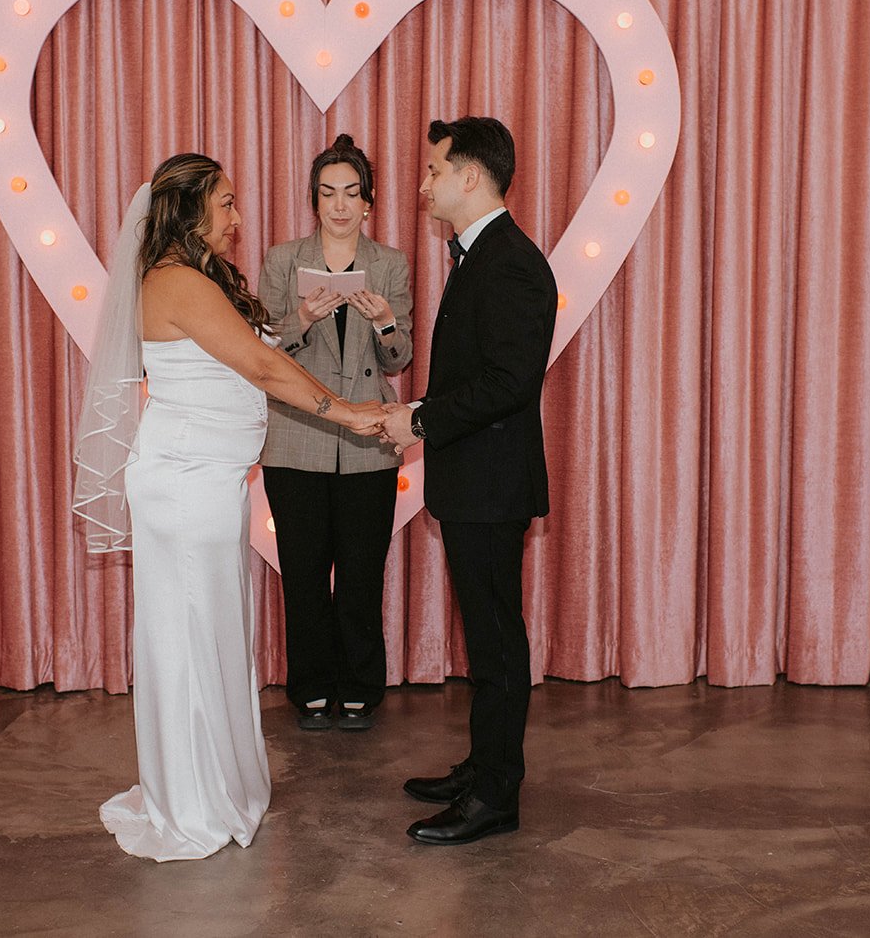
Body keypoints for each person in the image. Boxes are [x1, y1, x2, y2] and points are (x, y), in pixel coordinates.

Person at [72, 153, 386, 862]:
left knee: (210, 631)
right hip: (184, 484)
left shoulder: (195, 278)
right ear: (189, 212)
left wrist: (292, 323)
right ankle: (191, 801)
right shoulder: (175, 281)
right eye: (227, 205)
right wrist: (353, 414)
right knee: (189, 638)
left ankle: (210, 783)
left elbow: (247, 348)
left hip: (206, 482)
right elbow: (264, 368)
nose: (238, 219)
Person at [380, 117, 558, 846]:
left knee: (495, 643)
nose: (423, 184)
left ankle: (495, 795)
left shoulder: (511, 263)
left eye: (433, 170)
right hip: (474, 481)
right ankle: (485, 766)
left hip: (490, 484)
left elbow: (509, 383)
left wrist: (417, 421)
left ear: (471, 177)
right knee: (485, 639)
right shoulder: (479, 257)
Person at [258, 134, 414, 732]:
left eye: (352, 193)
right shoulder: (281, 259)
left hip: (369, 441)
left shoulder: (391, 263)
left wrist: (386, 321)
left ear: (369, 203)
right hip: (295, 437)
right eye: (328, 194)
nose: (340, 205)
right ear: (312, 201)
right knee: (301, 572)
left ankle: (360, 688)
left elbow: (398, 359)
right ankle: (311, 688)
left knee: (360, 573)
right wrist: (302, 318)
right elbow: (265, 350)